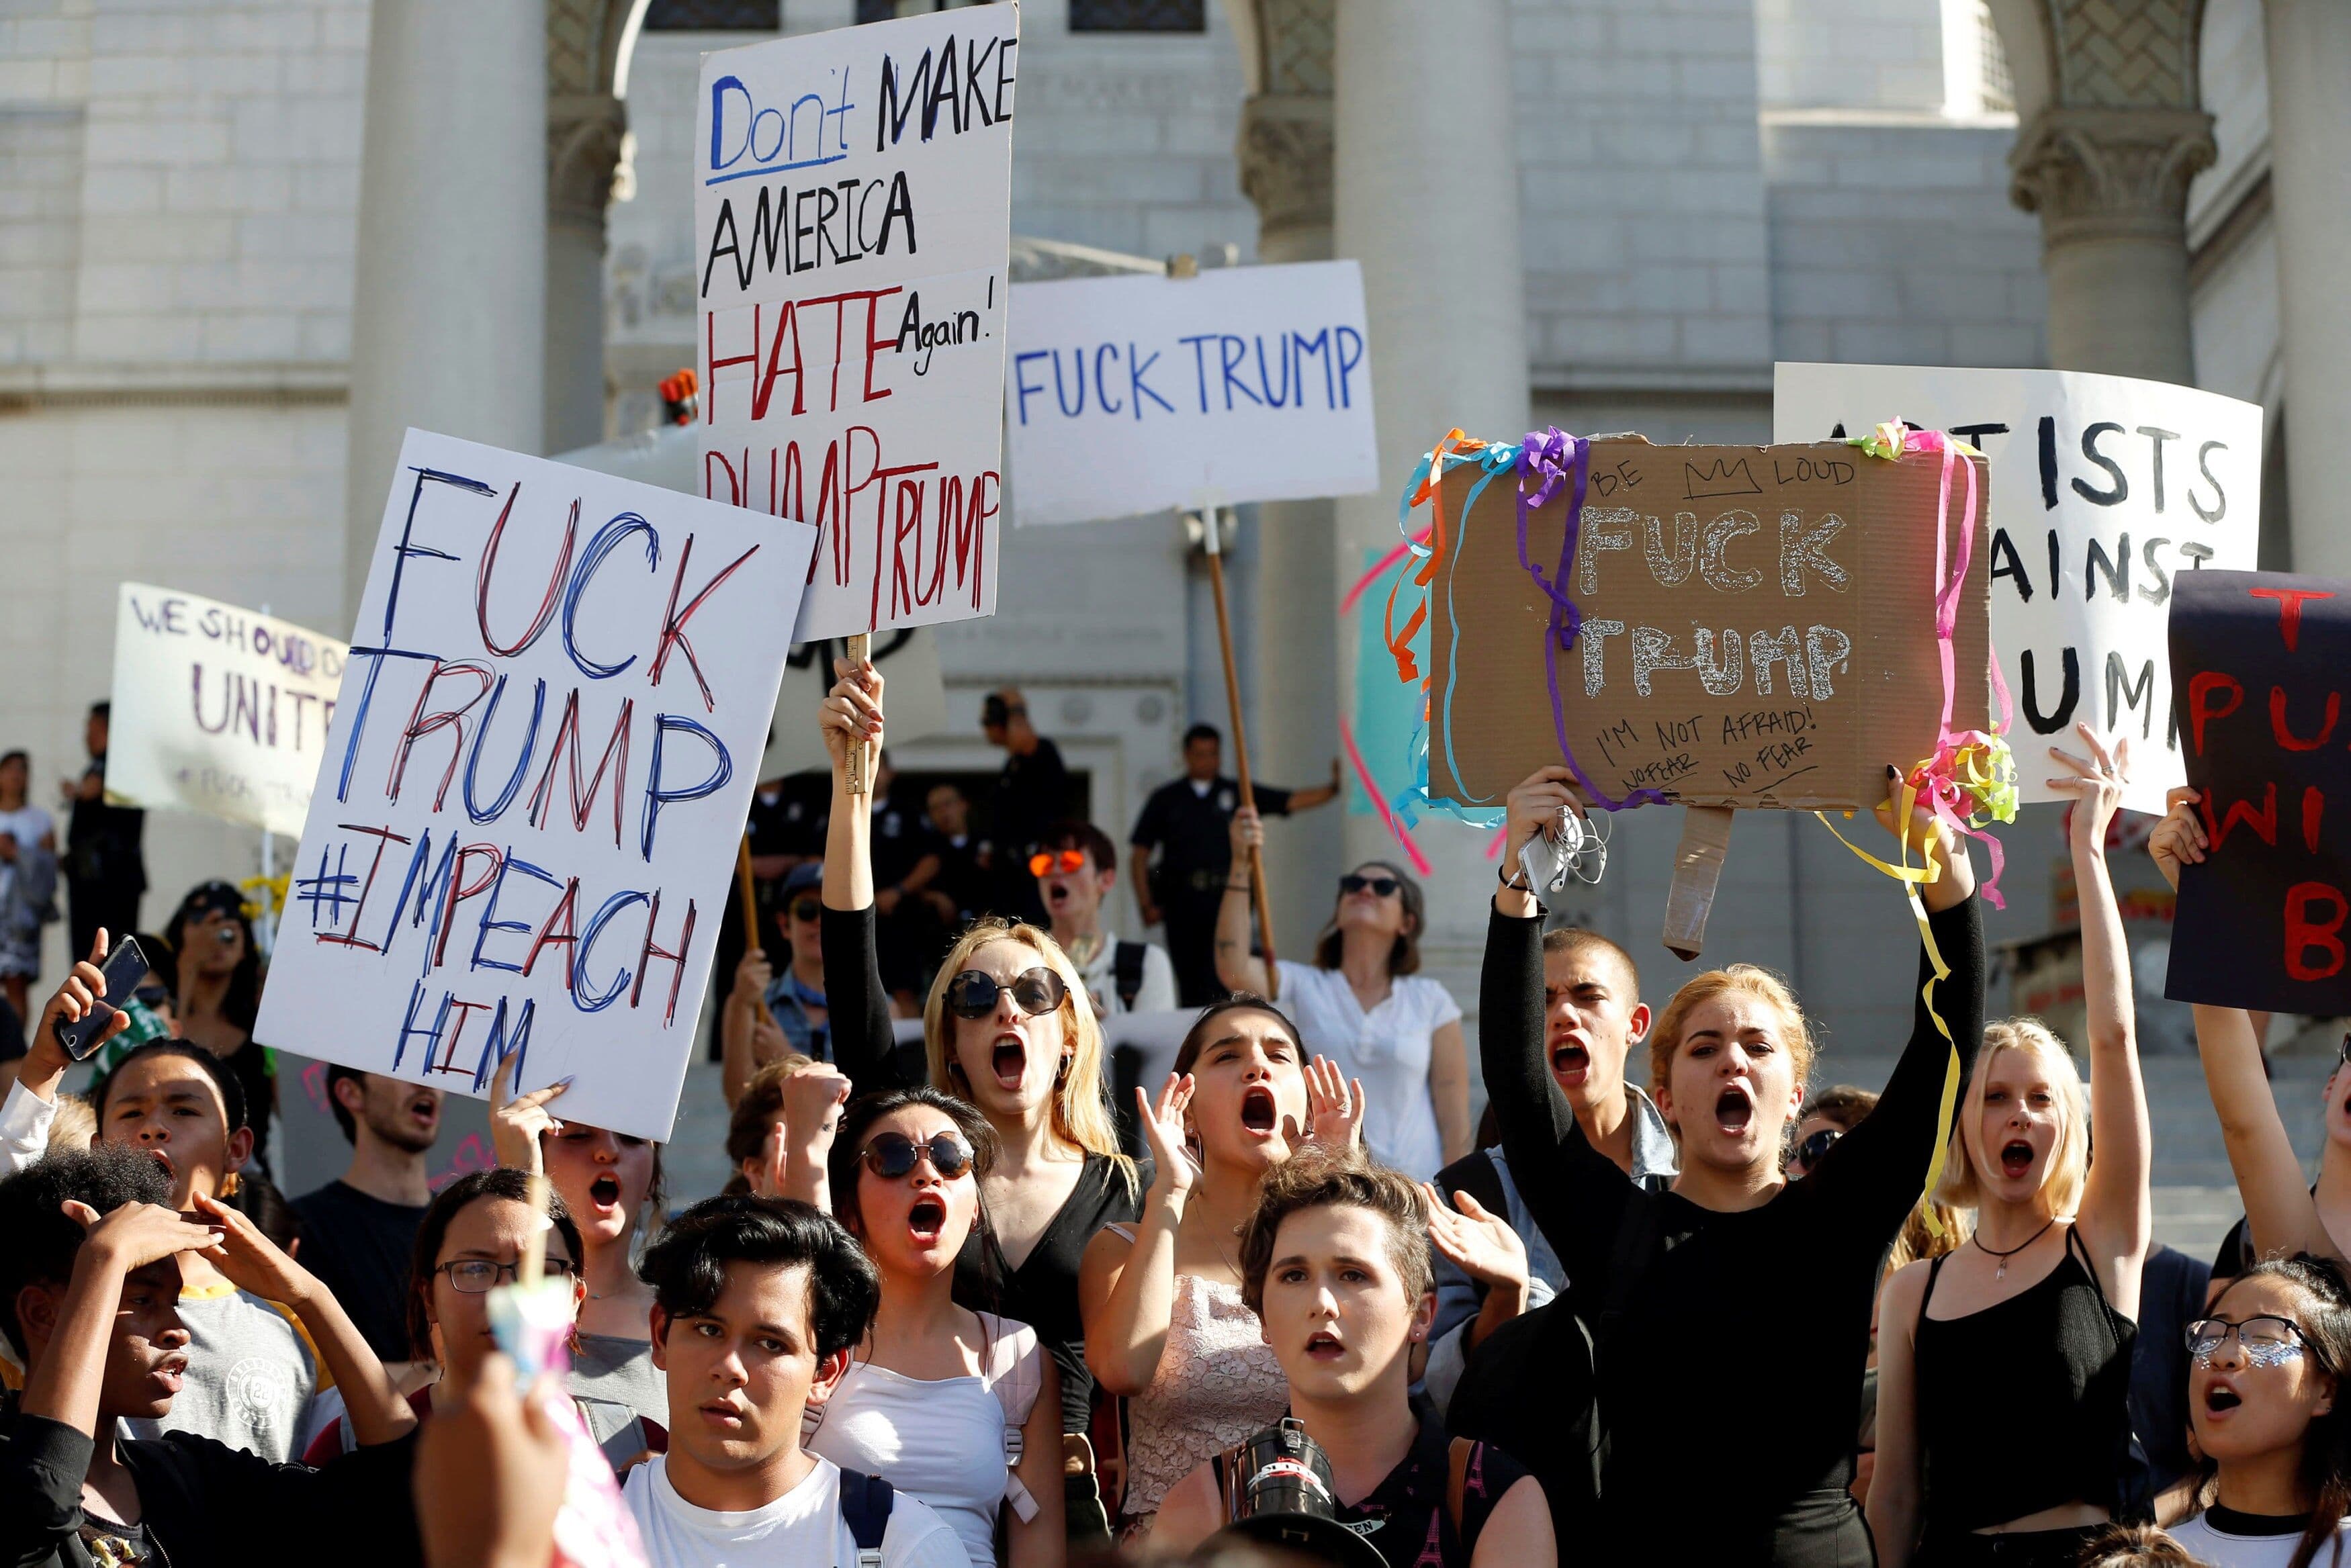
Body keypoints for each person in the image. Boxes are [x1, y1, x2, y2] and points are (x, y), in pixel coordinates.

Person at [1479, 762, 1986, 1565]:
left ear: (1792, 1094)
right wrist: (1520, 883)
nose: (1733, 1065)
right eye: (1704, 1048)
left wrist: (1943, 882)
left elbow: (1944, 1049)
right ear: (1666, 1094)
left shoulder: (1839, 1217)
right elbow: (1517, 1078)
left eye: (1758, 1047)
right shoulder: (1614, 1227)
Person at [819, 656, 1145, 1544]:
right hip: (919, 1489)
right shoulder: (911, 1148)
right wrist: (854, 782)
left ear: (1068, 1029)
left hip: (1076, 1512)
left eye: (1035, 993)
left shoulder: (1125, 1181)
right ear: (952, 1044)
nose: (1006, 1007)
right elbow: (852, 960)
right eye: (975, 997)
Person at [1871, 729, 2154, 1568]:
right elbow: (1893, 1492)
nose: (2017, 1116)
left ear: (2070, 1123)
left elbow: (2111, 1035)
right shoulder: (1911, 1293)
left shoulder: (2099, 1243)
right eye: (1993, 1098)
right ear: (1963, 1126)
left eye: (2040, 1099)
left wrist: (2087, 853)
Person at [0, 1143, 423, 1568]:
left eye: (176, 1302)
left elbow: (391, 1498)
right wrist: (105, 1259)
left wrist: (312, 1298)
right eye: (144, 1299)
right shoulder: (13, 1476)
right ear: (41, 1314)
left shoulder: (191, 1479)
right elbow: (40, 1500)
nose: (179, 1331)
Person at [1151, 1150, 1556, 1566]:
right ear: (1263, 1319)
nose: (1322, 1303)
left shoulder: (1493, 1495)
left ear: (1421, 1315)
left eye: (1352, 1275)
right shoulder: (1208, 1502)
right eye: (1294, 1276)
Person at [1077, 997, 1362, 1538]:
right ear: (1186, 1108)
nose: (1257, 1065)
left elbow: (1402, 1366)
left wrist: (1340, 1186)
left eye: (1278, 1056)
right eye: (1228, 1056)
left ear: (1305, 1099)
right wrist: (1170, 1193)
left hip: (1313, 1547)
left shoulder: (1353, 1236)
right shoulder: (1123, 1245)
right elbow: (1123, 1369)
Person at [792, 1087, 1067, 1567]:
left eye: (950, 1156)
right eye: (893, 1158)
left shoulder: (1018, 1359)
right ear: (850, 1209)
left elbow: (1040, 1553)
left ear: (977, 1204)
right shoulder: (809, 1344)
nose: (925, 1172)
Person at [95, 1035, 402, 1461]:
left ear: (236, 1150)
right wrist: (38, 1077)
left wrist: (315, 1298)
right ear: (98, 1152)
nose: (153, 1128)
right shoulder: (63, 1291)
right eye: (131, 1112)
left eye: (183, 1110)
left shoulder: (293, 1318)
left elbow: (385, 1452)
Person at [619, 1194, 969, 1568]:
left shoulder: (905, 1546)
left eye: (771, 1344)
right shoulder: (570, 1523)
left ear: (825, 1373)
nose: (729, 1366)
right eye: (708, 1329)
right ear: (661, 1336)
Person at [1422, 925, 1675, 1417]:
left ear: (1635, 1023)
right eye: (1542, 1001)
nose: (1563, 1015)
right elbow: (1441, 1392)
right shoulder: (1466, 1195)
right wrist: (1506, 1293)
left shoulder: (1690, 1178)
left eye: (1587, 996)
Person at [302, 1166, 662, 1470]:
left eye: (539, 1270)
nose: (505, 1294)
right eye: (475, 1269)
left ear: (575, 1299)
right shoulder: (351, 1445)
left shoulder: (642, 1449)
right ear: (429, 1298)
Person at [1219, 809, 1469, 1179]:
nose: (1365, 890)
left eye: (1382, 888)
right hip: (1325, 1184)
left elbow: (1454, 1118)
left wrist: (1454, 1195)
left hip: (1416, 1191)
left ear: (1407, 922)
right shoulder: (1303, 984)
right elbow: (1233, 964)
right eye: (1353, 885)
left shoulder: (1431, 1000)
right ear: (1338, 913)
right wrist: (1241, 863)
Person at [489, 1052, 668, 1427]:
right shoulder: (479, 1298)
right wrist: (521, 1187)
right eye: (578, 1136)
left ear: (653, 1181)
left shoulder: (687, 1315)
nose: (608, 1151)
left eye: (633, 1137)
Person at [1130, 724, 1339, 1007]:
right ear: (1187, 756)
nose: (1206, 760)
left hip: (1227, 900)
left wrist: (1333, 789)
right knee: (1191, 982)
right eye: (1200, 754)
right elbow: (1140, 854)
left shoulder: (1238, 793)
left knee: (1231, 976)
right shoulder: (1167, 799)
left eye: (1213, 754)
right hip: (1183, 904)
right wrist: (1146, 903)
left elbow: (1287, 800)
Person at [2168, 1256, 2351, 1567]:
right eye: (2212, 1334)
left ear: (2326, 1390)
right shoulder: (2155, 1557)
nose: (2224, 1355)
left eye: (2264, 1337)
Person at [290, 1068, 445, 1367]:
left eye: (435, 1069)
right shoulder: (303, 1228)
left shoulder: (463, 1225)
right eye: (402, 1067)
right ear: (351, 1093)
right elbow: (313, 1377)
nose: (425, 1081)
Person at [162, 881, 273, 1177]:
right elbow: (155, 1066)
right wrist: (187, 966)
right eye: (201, 923)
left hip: (249, 1182)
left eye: (228, 929)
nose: (216, 940)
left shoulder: (261, 1017)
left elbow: (295, 1103)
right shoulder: (156, 1008)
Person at [1034, 819, 1176, 1017]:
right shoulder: (1023, 963)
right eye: (1044, 865)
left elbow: (1156, 1044)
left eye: (1070, 863)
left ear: (1106, 879)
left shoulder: (1147, 964)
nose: (1056, 872)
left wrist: (1106, 1028)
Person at [721, 861, 832, 1105]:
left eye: (831, 911)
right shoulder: (752, 1002)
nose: (819, 921)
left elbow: (876, 1107)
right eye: (806, 910)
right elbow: (739, 1100)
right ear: (784, 924)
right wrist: (742, 1005)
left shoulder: (881, 1011)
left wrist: (787, 1060)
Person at [62, 701, 146, 966]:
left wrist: (78, 792)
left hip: (104, 883)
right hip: (102, 878)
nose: (87, 737)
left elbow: (91, 790)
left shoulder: (112, 766)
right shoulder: (121, 766)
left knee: (101, 958)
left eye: (92, 729)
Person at [981, 688, 1071, 924]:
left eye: (986, 722)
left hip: (1033, 872)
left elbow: (1024, 738)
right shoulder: (1012, 765)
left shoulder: (1041, 753)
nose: (984, 729)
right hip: (1009, 876)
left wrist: (1016, 709)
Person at [0, 747, 60, 1024]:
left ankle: (13, 1050)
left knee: (16, 982)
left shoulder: (39, 820)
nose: (16, 775)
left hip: (19, 917)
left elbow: (49, 870)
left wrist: (17, 854)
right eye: (10, 768)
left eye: (22, 769)